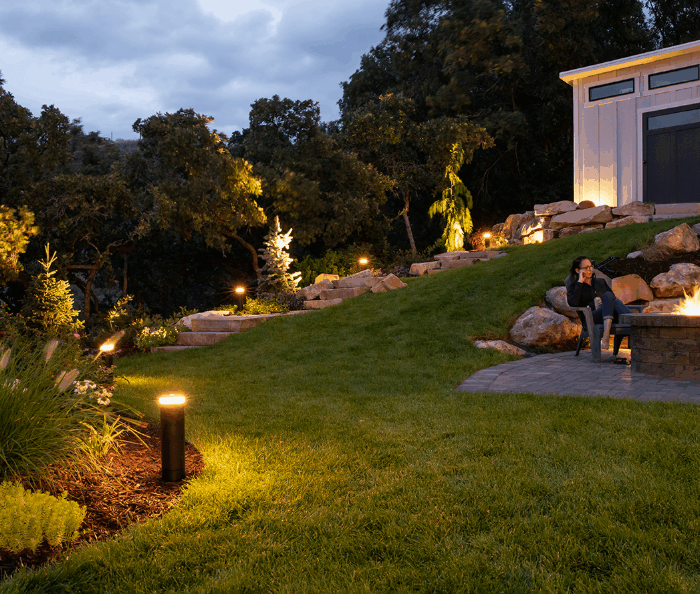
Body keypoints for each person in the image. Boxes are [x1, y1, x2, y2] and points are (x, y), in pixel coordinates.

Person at [565, 256, 631, 350]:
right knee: (611, 298)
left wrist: (603, 302)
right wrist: (580, 282)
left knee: (610, 297)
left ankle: (606, 335)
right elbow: (573, 303)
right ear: (578, 270)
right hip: (591, 318)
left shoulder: (600, 282)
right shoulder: (574, 287)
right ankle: (635, 317)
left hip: (609, 314)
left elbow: (613, 300)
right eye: (586, 268)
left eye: (591, 266)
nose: (590, 269)